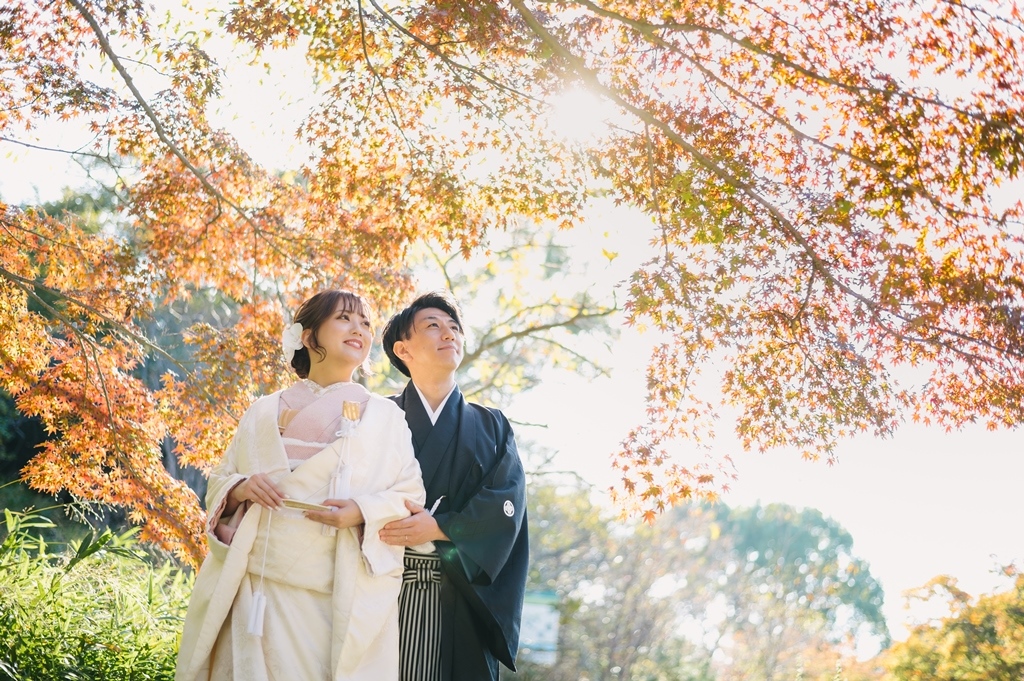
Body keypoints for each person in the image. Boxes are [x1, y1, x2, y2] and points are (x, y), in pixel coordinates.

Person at [176, 290, 426, 681]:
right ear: (308, 336)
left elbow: (409, 494)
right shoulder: (262, 410)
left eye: (365, 323)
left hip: (331, 593)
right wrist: (241, 488)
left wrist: (361, 511)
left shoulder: (385, 417)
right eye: (344, 318)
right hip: (255, 585)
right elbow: (222, 478)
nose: (359, 329)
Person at [379, 291, 529, 681]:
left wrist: (442, 527)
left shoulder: (492, 425)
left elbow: (506, 503)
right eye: (433, 326)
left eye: (454, 327)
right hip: (381, 586)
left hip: (461, 598)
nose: (449, 334)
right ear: (402, 349)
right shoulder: (377, 416)